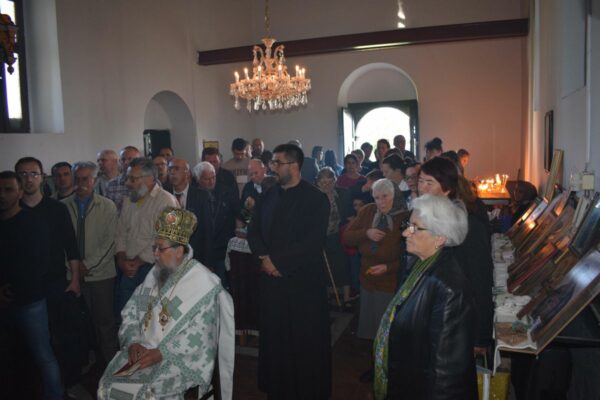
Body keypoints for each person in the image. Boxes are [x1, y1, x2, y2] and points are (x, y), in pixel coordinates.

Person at [97, 207, 235, 400]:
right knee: (107, 386)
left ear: (179, 251)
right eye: (154, 247)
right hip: (142, 349)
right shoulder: (155, 274)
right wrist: (133, 341)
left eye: (160, 248)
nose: (155, 254)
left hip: (177, 360)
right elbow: (131, 311)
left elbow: (202, 337)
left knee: (142, 394)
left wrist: (162, 353)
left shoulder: (203, 283)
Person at [247, 143, 331, 399]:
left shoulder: (316, 199)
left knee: (303, 341)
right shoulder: (268, 196)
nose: (272, 167)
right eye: (272, 162)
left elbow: (312, 242)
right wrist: (264, 257)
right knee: (275, 338)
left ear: (294, 166)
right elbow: (253, 231)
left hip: (302, 285)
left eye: (277, 163)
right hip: (272, 285)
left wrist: (277, 262)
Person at [373, 194, 477, 400]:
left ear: (440, 238)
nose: (405, 232)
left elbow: (447, 373)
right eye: (407, 225)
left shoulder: (449, 288)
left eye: (415, 227)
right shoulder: (420, 266)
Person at [15, 157, 85, 395]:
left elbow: (71, 247)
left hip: (56, 282)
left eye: (33, 174)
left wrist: (74, 280)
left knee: (65, 338)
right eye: (23, 174)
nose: (29, 179)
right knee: (30, 345)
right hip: (24, 288)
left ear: (42, 177)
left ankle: (70, 384)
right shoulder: (12, 210)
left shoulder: (57, 209)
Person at [418, 157, 494, 355]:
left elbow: (481, 281)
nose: (422, 188)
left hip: (455, 319)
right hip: (425, 316)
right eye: (420, 181)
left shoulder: (469, 226)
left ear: (446, 189)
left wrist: (481, 336)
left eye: (429, 182)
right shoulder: (419, 220)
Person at [0, 171, 63, 400]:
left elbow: (38, 264)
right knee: (9, 358)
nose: (2, 195)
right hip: (3, 303)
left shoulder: (33, 222)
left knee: (43, 356)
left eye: (8, 190)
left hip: (30, 301)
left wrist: (10, 290)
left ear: (19, 192)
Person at [63, 161, 119, 369]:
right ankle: (88, 363)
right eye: (77, 179)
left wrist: (86, 265)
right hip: (71, 275)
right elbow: (59, 242)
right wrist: (73, 268)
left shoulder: (107, 206)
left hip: (101, 275)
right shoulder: (63, 206)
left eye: (86, 179)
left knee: (105, 322)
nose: (81, 183)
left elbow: (110, 241)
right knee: (79, 323)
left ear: (94, 181)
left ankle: (112, 363)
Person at [343, 179, 408, 340]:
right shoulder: (368, 210)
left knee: (385, 329)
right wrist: (366, 233)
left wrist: (388, 267)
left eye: (385, 196)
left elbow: (410, 257)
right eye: (376, 197)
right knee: (369, 326)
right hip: (367, 277)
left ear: (395, 195)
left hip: (389, 282)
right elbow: (347, 237)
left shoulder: (406, 218)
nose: (380, 202)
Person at [115, 157, 179, 315]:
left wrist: (138, 262)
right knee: (128, 317)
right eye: (127, 178)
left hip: (154, 269)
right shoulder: (130, 199)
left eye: (133, 179)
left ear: (150, 179)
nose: (128, 183)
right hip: (128, 268)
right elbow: (121, 232)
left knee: (150, 319)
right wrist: (121, 258)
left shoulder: (167, 201)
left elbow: (166, 239)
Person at [193, 161, 241, 287]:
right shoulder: (192, 196)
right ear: (198, 179)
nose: (211, 181)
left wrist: (250, 213)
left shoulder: (225, 191)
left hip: (222, 247)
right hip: (201, 250)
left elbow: (240, 211)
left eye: (213, 177)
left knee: (220, 284)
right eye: (207, 179)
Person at [316, 167, 353, 305]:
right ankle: (327, 298)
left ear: (335, 181)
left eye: (330, 182)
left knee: (343, 266)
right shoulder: (314, 197)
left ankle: (346, 299)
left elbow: (349, 215)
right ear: (318, 183)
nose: (326, 185)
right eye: (323, 183)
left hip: (339, 235)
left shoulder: (343, 194)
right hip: (321, 238)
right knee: (325, 268)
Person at [168, 158, 211, 266]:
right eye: (170, 169)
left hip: (196, 256)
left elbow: (207, 230)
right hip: (170, 256)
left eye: (176, 168)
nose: (172, 172)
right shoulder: (164, 195)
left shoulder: (201, 196)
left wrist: (208, 262)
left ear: (187, 173)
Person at [106, 146, 142, 213]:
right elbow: (109, 211)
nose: (126, 162)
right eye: (123, 159)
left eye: (130, 159)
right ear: (119, 162)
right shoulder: (111, 184)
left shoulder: (150, 182)